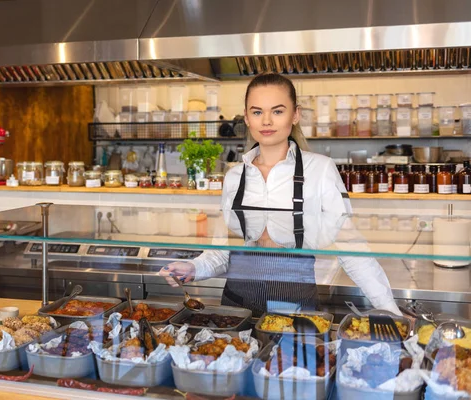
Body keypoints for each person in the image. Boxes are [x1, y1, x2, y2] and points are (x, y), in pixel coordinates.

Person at [158, 73, 400, 316]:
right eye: (257, 112)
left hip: (295, 309)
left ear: (295, 114)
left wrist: (389, 309)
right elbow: (224, 250)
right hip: (235, 308)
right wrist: (193, 267)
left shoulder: (320, 170)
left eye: (277, 111)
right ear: (247, 118)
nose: (266, 121)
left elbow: (352, 250)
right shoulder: (234, 178)